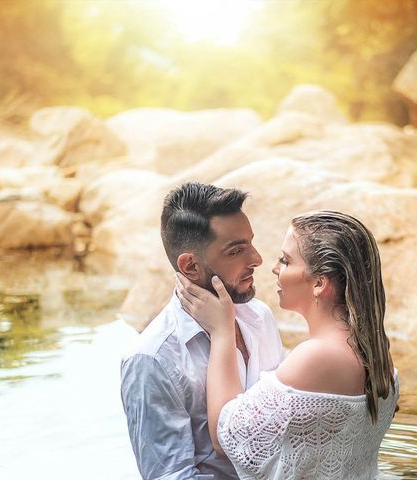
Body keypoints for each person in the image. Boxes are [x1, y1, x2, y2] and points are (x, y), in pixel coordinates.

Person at [176, 210, 399, 480]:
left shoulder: (317, 356)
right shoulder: (375, 349)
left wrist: (222, 331)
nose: (274, 267)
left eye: (286, 260)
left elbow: (226, 438)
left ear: (319, 283)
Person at [121, 182, 284, 480]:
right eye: (236, 251)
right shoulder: (152, 359)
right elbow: (172, 476)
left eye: (251, 243)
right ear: (190, 266)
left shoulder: (259, 317)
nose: (257, 259)